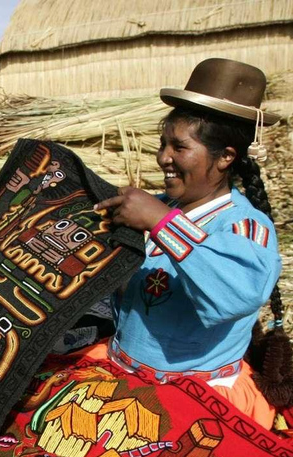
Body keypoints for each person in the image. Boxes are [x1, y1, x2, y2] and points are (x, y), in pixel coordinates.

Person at [94, 58, 289, 429]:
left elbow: (233, 294)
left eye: (179, 148)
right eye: (163, 144)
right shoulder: (159, 206)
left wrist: (161, 223)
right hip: (122, 376)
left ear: (225, 157)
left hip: (196, 401)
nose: (163, 157)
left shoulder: (245, 227)